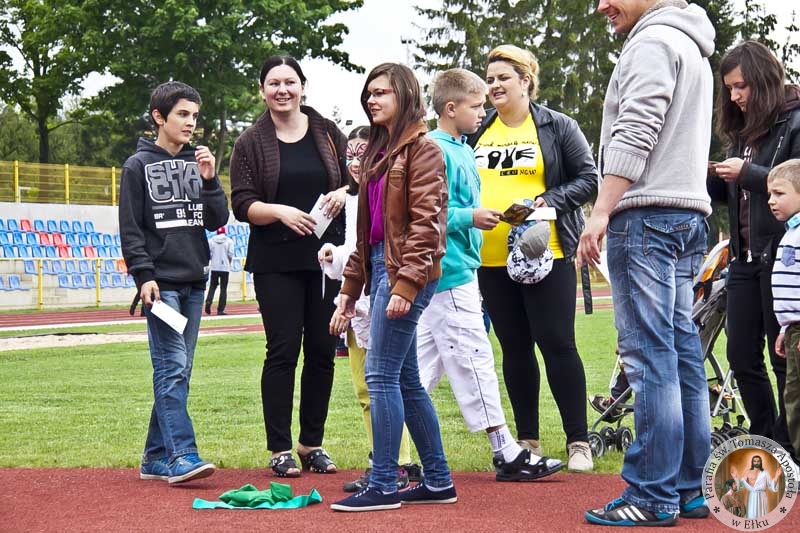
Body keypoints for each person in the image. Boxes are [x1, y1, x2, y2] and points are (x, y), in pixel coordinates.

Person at [579, 0, 716, 526]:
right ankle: (688, 489)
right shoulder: (692, 45)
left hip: (646, 217)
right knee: (682, 354)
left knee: (650, 356)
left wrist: (601, 210)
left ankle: (653, 494)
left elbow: (636, 130)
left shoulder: (652, 43)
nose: (600, 7)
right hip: (688, 215)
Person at [418, 67, 563, 482]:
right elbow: (424, 213)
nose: (483, 113)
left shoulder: (463, 148)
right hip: (450, 271)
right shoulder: (436, 150)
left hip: (457, 268)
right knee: (474, 359)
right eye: (476, 106)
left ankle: (385, 455)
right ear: (450, 108)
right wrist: (471, 217)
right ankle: (507, 451)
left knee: (416, 371)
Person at [329, 63, 455, 512]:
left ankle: (384, 483)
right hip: (382, 267)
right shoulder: (378, 155)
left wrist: (405, 284)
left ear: (405, 95)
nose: (372, 99)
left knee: (380, 374)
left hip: (405, 272)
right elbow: (367, 235)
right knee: (404, 378)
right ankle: (438, 480)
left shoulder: (424, 151)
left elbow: (427, 226)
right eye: (369, 93)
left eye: (382, 92)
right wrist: (349, 290)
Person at [467, 44, 598, 472]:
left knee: (557, 344)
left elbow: (588, 178)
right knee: (514, 348)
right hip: (490, 259)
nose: (494, 85)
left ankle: (579, 441)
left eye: (503, 77)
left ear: (526, 80)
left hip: (547, 254)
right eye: (489, 79)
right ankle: (527, 440)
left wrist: (546, 201)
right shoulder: (477, 130)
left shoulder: (557, 126)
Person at [229, 55, 349, 478]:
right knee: (282, 351)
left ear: (302, 86)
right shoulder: (249, 142)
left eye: (290, 82)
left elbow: (355, 178)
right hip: (276, 260)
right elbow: (242, 203)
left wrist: (342, 192)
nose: (283, 90)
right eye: (274, 83)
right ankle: (279, 448)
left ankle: (311, 444)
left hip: (326, 260)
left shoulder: (327, 131)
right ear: (262, 90)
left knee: (322, 351)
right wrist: (279, 211)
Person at [119, 80, 229, 484]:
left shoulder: (196, 162)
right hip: (161, 284)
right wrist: (143, 275)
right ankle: (182, 454)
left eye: (195, 116)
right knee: (173, 368)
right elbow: (131, 228)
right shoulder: (137, 166)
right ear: (159, 117)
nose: (190, 123)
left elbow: (218, 220)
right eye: (183, 114)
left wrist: (210, 180)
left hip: (195, 281)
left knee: (180, 370)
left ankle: (153, 457)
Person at [707, 41, 800, 461]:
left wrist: (747, 173)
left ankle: (789, 446)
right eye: (729, 88)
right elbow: (735, 195)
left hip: (784, 257)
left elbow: (792, 187)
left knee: (784, 359)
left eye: (740, 86)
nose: (734, 97)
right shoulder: (741, 132)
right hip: (743, 257)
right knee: (741, 355)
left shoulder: (795, 121)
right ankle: (766, 441)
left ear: (763, 81)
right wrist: (711, 179)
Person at [318, 125, 419, 492]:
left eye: (363, 154)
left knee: (387, 385)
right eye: (350, 156)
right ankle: (390, 460)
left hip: (383, 297)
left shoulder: (384, 196)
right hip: (359, 300)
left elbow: (376, 251)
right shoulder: (353, 200)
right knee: (370, 389)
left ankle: (396, 463)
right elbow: (358, 251)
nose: (355, 163)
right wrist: (335, 258)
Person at [769, 159, 800, 460]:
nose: (771, 200)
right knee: (793, 399)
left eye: (779, 193)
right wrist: (784, 327)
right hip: (792, 329)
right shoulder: (790, 232)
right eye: (769, 194)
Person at [205, 226, 234, 315]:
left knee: (212, 286)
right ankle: (220, 309)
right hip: (225, 267)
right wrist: (229, 262)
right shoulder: (229, 241)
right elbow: (230, 254)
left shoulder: (211, 241)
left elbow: (208, 253)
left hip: (214, 267)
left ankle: (209, 301)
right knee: (223, 288)